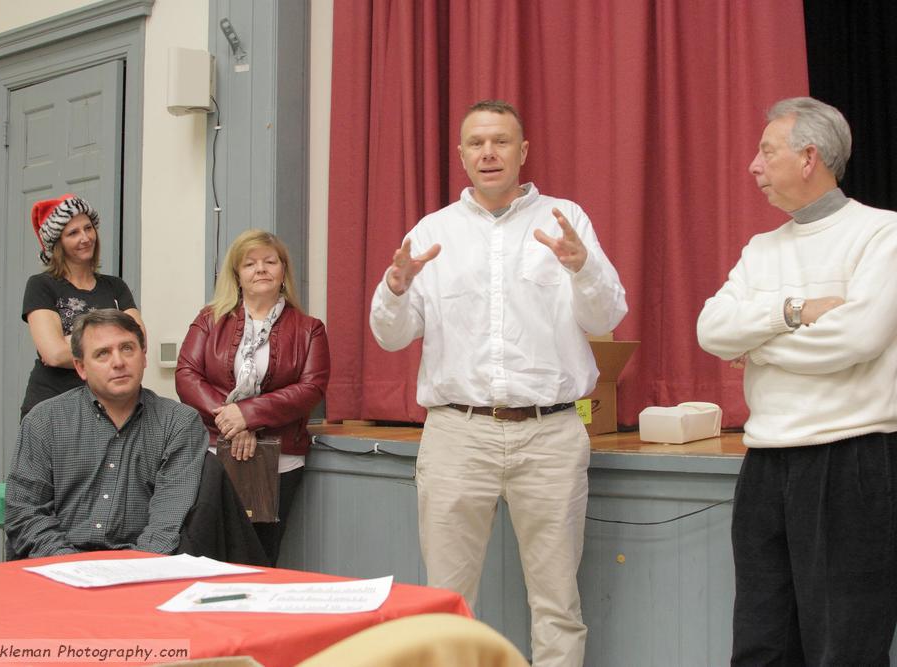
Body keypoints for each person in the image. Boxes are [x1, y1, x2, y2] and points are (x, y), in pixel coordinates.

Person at [369, 99, 627, 667]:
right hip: (457, 435)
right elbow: (390, 336)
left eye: (501, 141)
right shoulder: (433, 232)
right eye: (477, 143)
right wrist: (392, 288)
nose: (489, 152)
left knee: (558, 603)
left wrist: (583, 266)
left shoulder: (566, 219)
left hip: (552, 434)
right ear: (461, 155)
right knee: (445, 603)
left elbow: (605, 318)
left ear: (523, 151)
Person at [697, 97, 897, 666]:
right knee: (761, 643)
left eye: (767, 151)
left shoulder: (882, 233)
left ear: (809, 157)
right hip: (766, 462)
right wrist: (792, 311)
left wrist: (758, 349)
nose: (753, 165)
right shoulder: (760, 248)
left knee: (845, 647)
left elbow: (858, 339)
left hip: (852, 460)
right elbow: (711, 329)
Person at [176, 230, 330, 567]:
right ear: (237, 275)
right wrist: (233, 422)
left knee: (260, 556)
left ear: (283, 271)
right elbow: (187, 375)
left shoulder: (309, 329)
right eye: (250, 263)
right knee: (206, 551)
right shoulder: (209, 319)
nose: (260, 269)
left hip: (279, 460)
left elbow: (311, 389)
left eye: (269, 261)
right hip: (215, 453)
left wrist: (247, 415)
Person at [5, 310, 206, 558]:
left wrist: (131, 572)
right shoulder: (44, 420)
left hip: (142, 571)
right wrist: (71, 565)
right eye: (103, 353)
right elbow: (25, 512)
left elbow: (168, 521)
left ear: (143, 356)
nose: (118, 362)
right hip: (56, 568)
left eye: (127, 348)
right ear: (81, 368)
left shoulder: (179, 423)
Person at [21, 194, 146, 419]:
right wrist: (114, 345)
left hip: (110, 409)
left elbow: (139, 342)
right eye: (73, 233)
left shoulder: (115, 286)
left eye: (88, 228)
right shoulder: (42, 285)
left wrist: (74, 341)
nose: (85, 237)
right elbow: (54, 354)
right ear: (57, 243)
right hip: (53, 408)